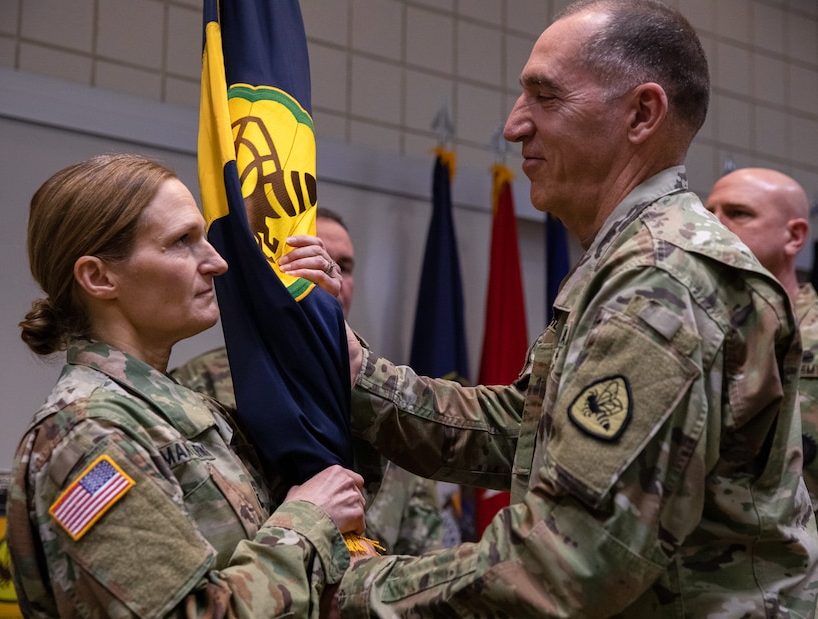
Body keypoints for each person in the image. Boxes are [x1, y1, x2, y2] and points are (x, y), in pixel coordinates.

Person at [327, 0, 818, 616]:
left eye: (545, 97)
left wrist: (353, 588)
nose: (513, 126)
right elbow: (528, 433)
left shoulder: (664, 278)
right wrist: (361, 381)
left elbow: (569, 560)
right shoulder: (630, 258)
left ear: (642, 113)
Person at [6, 153, 367, 617]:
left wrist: (321, 330)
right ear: (99, 277)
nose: (217, 261)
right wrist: (306, 525)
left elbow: (336, 483)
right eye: (182, 242)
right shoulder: (89, 438)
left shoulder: (188, 412)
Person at [171, 208, 445, 557]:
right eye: (309, 258)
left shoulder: (382, 389)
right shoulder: (199, 385)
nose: (331, 276)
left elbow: (424, 548)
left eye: (342, 266)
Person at [705, 167, 818, 512]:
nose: (714, 225)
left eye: (738, 213)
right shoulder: (698, 330)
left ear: (794, 237)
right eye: (708, 213)